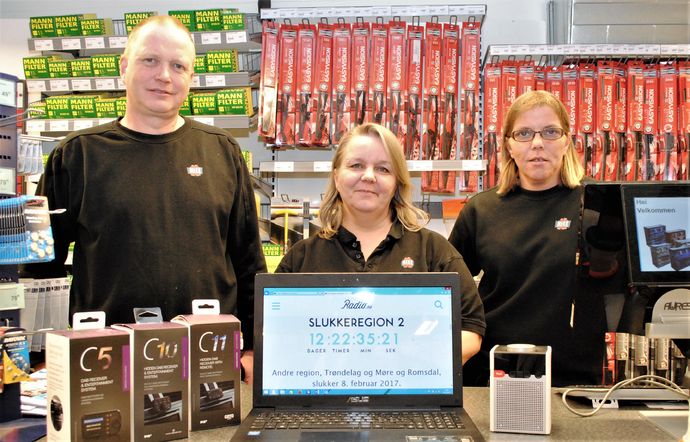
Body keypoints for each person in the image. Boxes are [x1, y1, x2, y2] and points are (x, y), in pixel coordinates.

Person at [22, 16, 266, 383]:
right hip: (105, 361)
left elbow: (248, 260)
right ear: (124, 66)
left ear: (191, 78)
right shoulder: (77, 155)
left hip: (208, 357)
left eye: (178, 65)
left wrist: (251, 350)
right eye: (150, 60)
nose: (164, 75)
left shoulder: (222, 152)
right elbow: (41, 266)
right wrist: (40, 353)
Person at [276, 123, 485, 364]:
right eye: (356, 165)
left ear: (397, 182)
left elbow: (470, 331)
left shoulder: (433, 251)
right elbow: (278, 335)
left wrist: (411, 369)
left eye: (383, 169)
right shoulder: (301, 257)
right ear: (336, 175)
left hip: (411, 398)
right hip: (324, 397)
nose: (368, 176)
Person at [448, 90, 606, 386]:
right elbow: (446, 291)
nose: (537, 143)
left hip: (571, 380)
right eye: (523, 133)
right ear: (508, 145)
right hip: (491, 375)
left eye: (550, 132)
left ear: (566, 140)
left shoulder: (598, 206)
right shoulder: (481, 210)